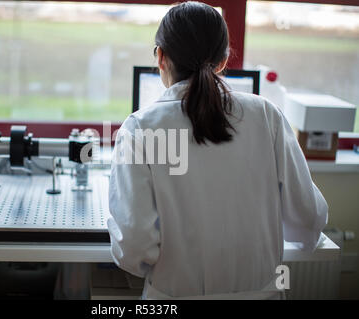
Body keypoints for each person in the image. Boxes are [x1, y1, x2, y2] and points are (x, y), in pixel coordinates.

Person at [107, 1, 328, 299]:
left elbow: (134, 249)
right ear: (223, 61)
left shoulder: (139, 128)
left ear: (161, 57)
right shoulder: (266, 115)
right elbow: (307, 219)